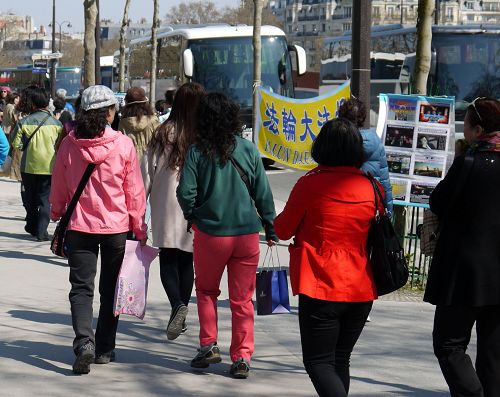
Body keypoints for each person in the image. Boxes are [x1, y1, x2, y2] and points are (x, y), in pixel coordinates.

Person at [274, 118, 383, 397]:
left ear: (321, 146)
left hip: (320, 282)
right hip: (361, 285)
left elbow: (283, 230)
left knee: (318, 362)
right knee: (339, 359)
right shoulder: (372, 187)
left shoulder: (310, 184)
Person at [176, 92, 277, 379]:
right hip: (246, 235)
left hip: (211, 234)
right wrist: (270, 227)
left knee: (207, 292)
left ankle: (209, 345)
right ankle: (242, 356)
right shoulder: (248, 149)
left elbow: (185, 192)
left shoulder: (196, 152)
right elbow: (263, 195)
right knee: (242, 300)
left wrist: (194, 215)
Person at [49, 85, 147, 375]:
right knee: (111, 289)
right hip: (116, 228)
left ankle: (84, 343)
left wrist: (56, 212)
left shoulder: (69, 144)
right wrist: (138, 225)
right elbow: (134, 190)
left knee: (81, 288)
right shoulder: (123, 144)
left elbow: (60, 182)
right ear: (108, 112)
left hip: (80, 226)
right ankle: (105, 347)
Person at [423, 97, 500, 397]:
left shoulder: (469, 162)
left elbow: (438, 201)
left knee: (449, 343)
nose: (463, 131)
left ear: (478, 129)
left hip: (463, 271)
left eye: (466, 126)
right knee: (493, 352)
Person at [141, 82, 205, 341]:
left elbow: (148, 169)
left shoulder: (163, 131)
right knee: (186, 259)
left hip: (166, 200)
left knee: (167, 255)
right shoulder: (203, 134)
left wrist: (140, 202)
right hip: (195, 201)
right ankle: (182, 308)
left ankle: (177, 305)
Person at [11, 86, 62, 241]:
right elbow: (61, 145)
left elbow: (15, 143)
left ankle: (32, 226)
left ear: (32, 103)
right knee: (45, 200)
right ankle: (41, 231)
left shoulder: (23, 122)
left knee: (30, 198)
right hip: (49, 168)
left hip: (29, 166)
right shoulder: (57, 124)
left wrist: (26, 148)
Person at [338, 98, 393, 214]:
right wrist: (388, 211)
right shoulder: (375, 142)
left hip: (341, 203)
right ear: (362, 118)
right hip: (370, 205)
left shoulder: (336, 141)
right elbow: (384, 181)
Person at [118, 87, 159, 161]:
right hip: (150, 163)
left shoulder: (122, 123)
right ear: (145, 103)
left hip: (130, 163)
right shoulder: (153, 120)